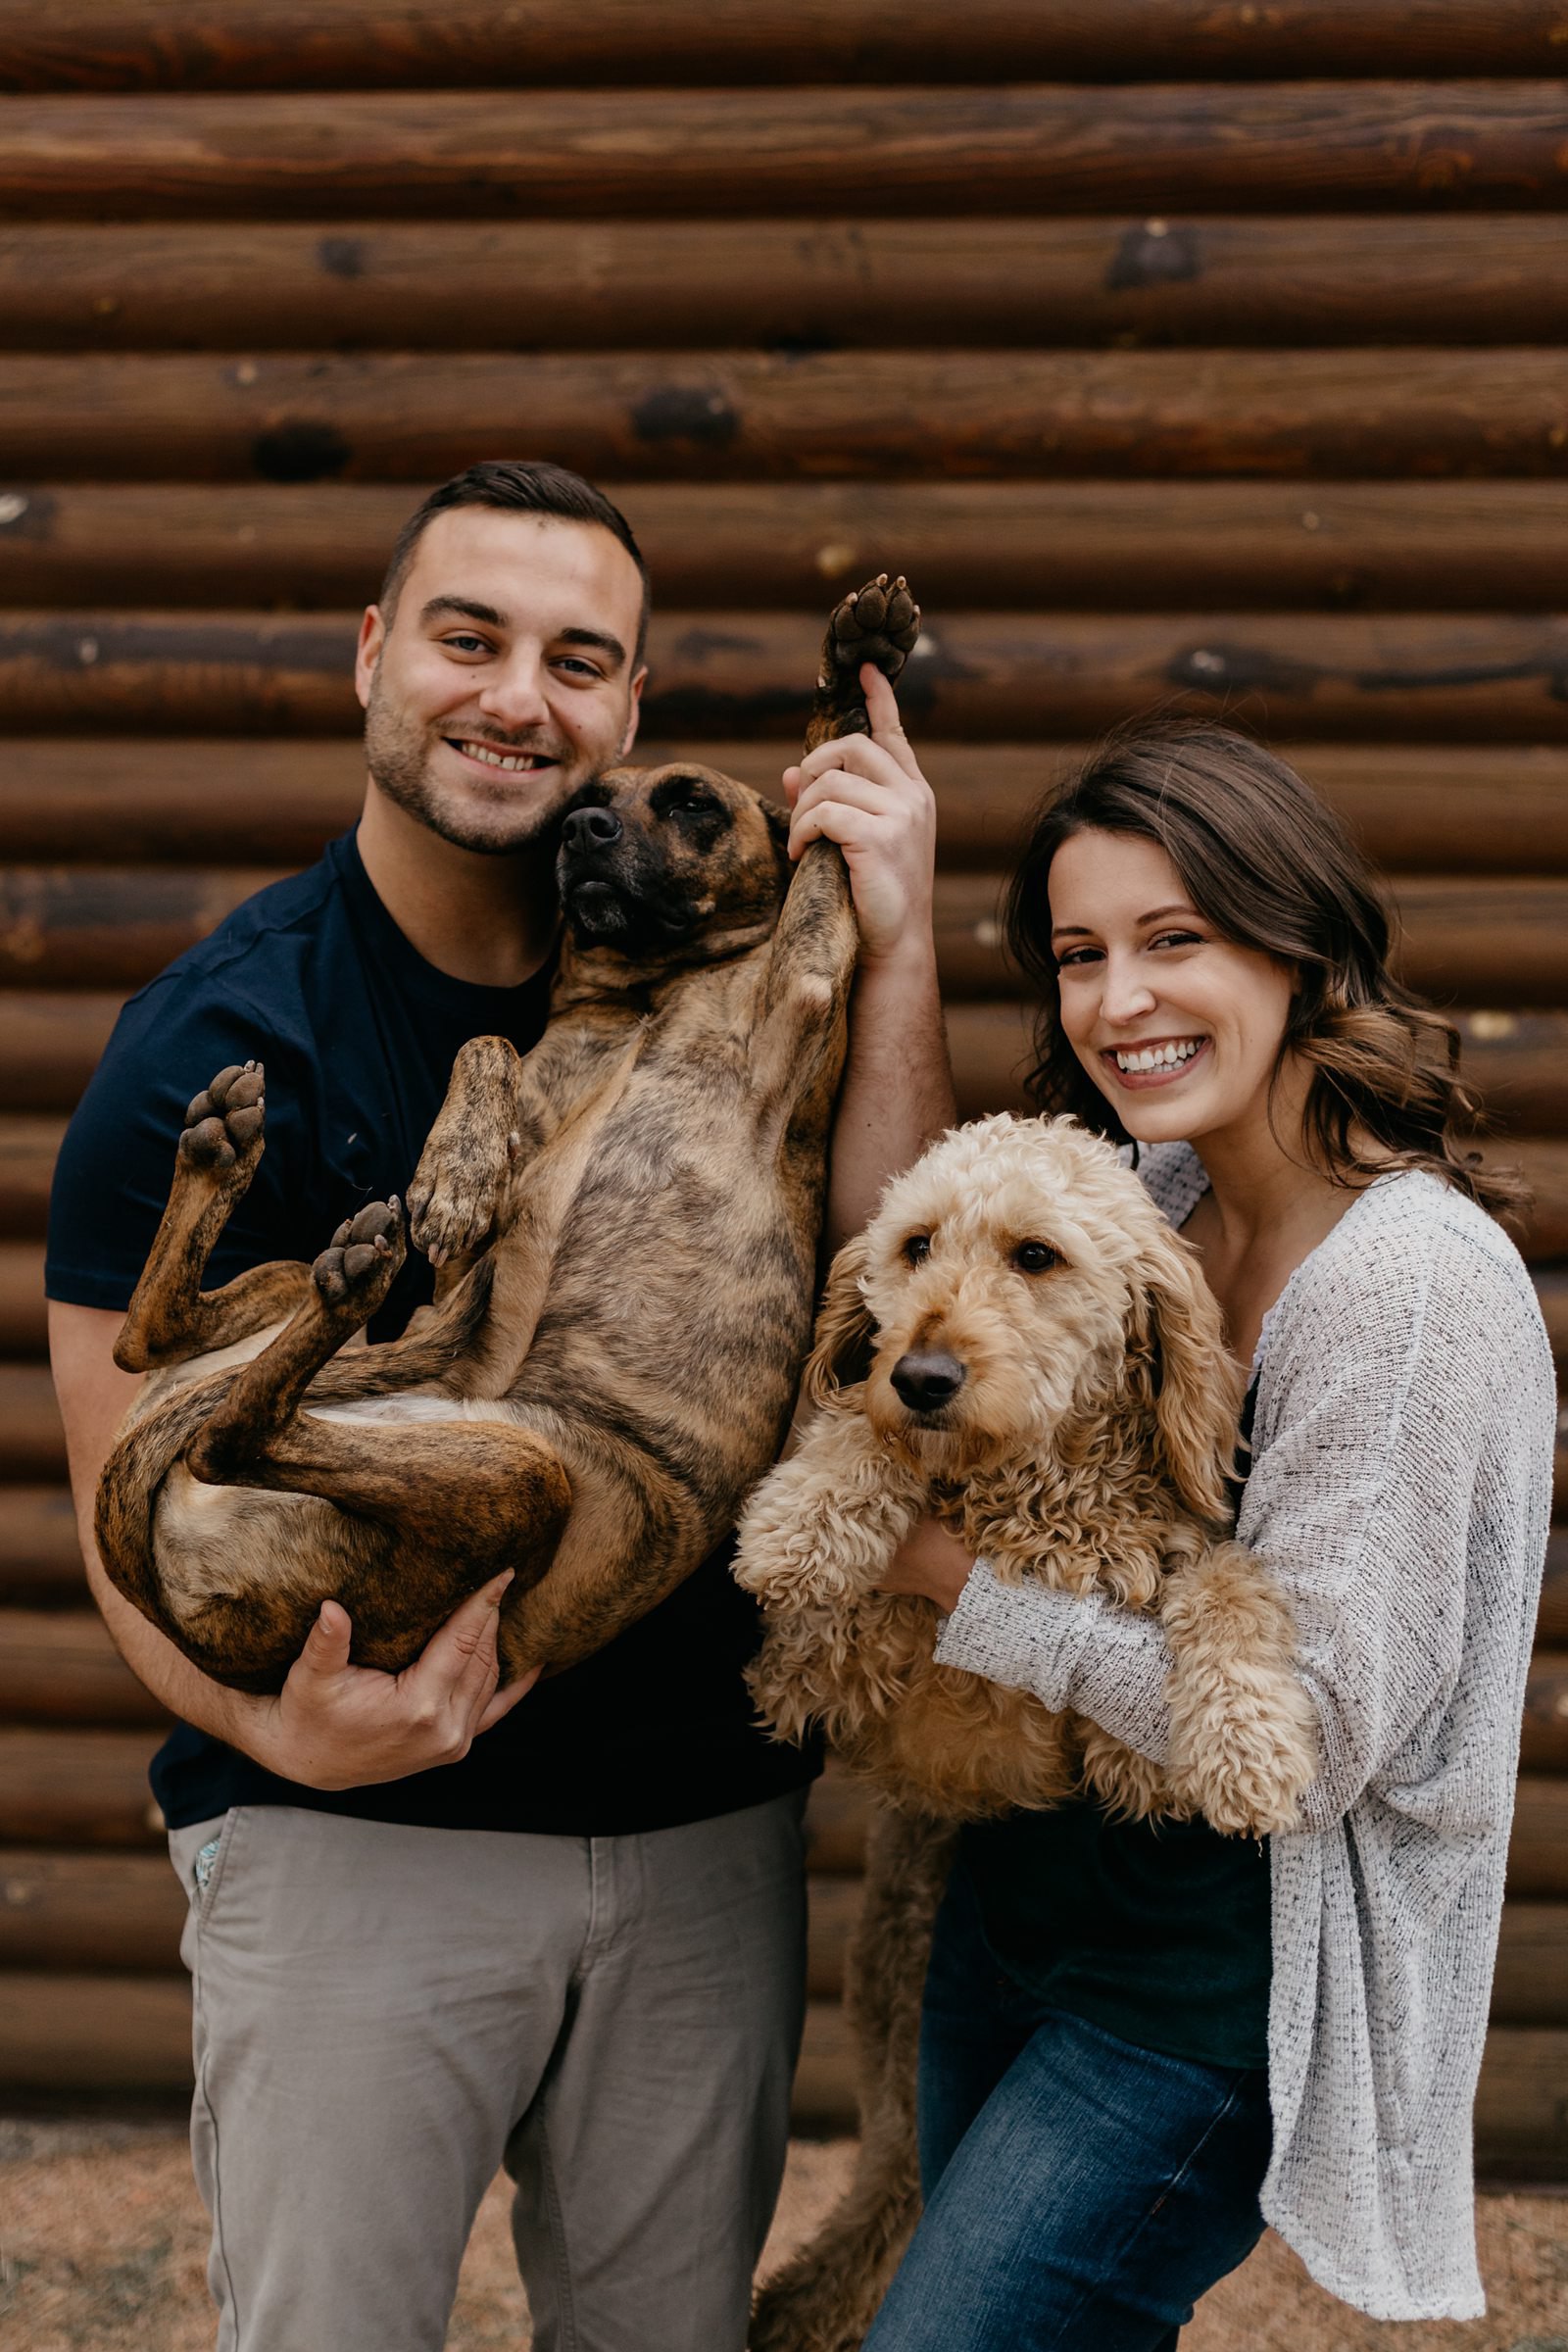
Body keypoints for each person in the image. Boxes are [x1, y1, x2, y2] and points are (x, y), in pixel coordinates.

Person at [46, 460, 955, 2352]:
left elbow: (888, 1274)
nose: (516, 695)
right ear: (377, 654)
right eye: (468, 638)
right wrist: (274, 1740)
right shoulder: (216, 1042)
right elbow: (116, 1489)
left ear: (625, 709)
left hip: (700, 1836)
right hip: (358, 1851)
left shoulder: (707, 958)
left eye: (576, 659)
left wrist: (903, 933)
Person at [864, 719, 1554, 2347]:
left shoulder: (1408, 1292)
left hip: (1216, 1995)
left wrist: (954, 1583)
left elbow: (1304, 1748)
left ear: (1300, 946)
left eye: (1178, 941)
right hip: (1023, 1912)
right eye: (1079, 955)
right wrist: (896, 920)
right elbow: (906, 1271)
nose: (1119, 1003)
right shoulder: (1152, 1199)